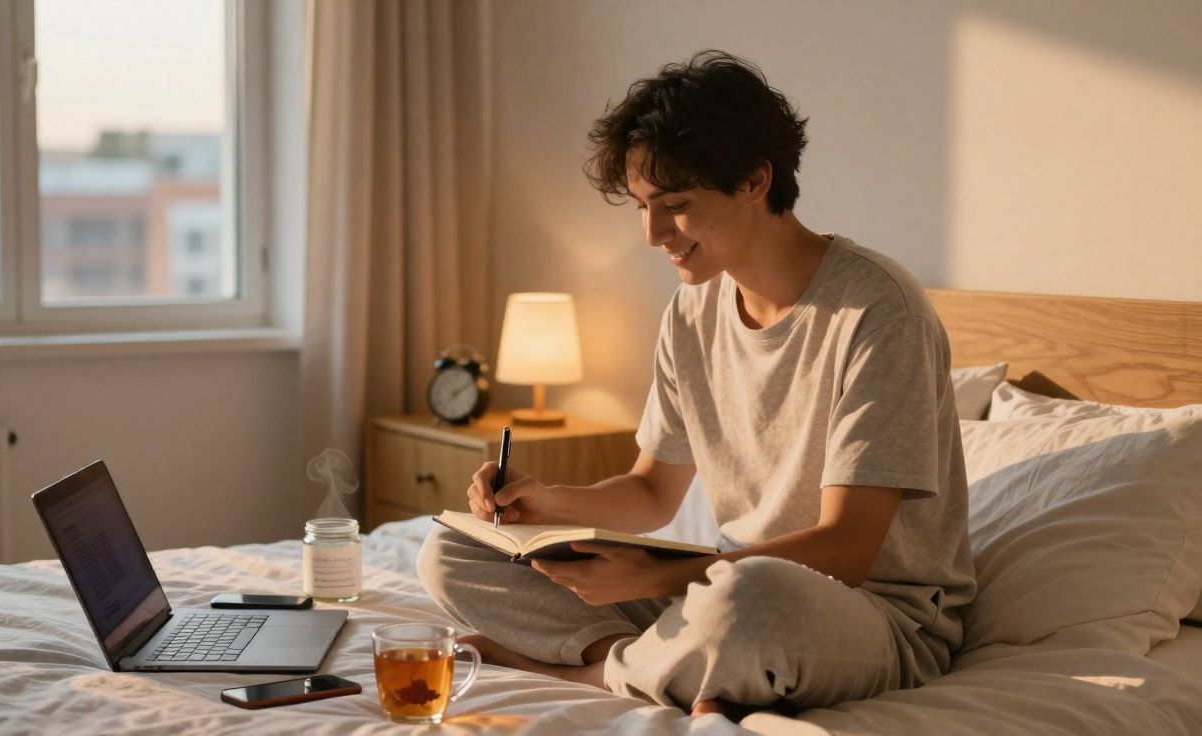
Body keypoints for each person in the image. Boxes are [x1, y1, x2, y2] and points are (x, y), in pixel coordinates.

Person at [416, 49, 975, 720]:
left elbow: (848, 549)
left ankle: (592, 671)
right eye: (644, 206)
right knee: (449, 551)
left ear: (754, 181)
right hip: (718, 584)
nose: (653, 233)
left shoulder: (880, 314)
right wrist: (547, 503)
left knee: (749, 601)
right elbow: (653, 491)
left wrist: (663, 576)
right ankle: (647, 661)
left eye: (675, 206)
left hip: (870, 614)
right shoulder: (693, 311)